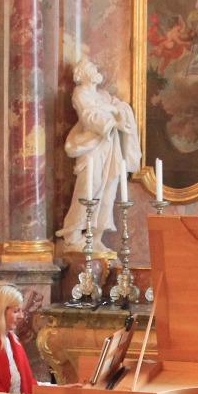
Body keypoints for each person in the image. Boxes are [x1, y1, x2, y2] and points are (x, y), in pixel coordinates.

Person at [58, 56, 141, 253]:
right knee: (88, 188)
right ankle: (72, 234)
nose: (96, 71)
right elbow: (89, 116)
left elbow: (121, 107)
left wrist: (117, 112)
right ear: (83, 74)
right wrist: (112, 119)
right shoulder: (80, 94)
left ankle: (96, 237)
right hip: (92, 149)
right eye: (92, 68)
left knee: (108, 190)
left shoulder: (102, 95)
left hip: (109, 147)